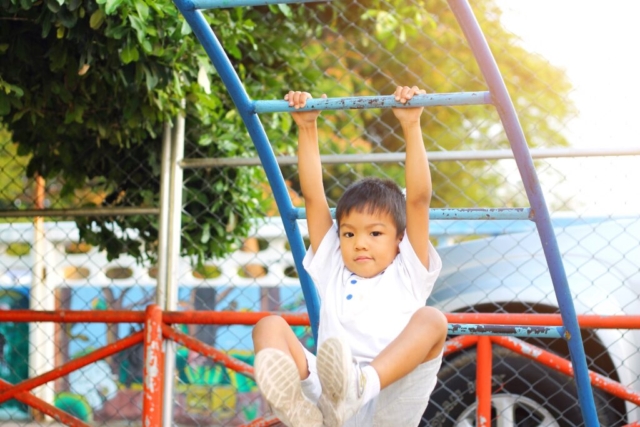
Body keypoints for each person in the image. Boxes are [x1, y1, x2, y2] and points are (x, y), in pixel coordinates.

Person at [252, 86, 448, 427]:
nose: (360, 244)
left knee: (433, 319)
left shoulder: (408, 271)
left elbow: (418, 200)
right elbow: (314, 198)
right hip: (329, 402)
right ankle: (299, 413)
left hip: (387, 396)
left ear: (399, 240)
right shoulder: (334, 267)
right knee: (268, 327)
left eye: (375, 234)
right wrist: (307, 126)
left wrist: (411, 124)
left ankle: (361, 384)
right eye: (349, 234)